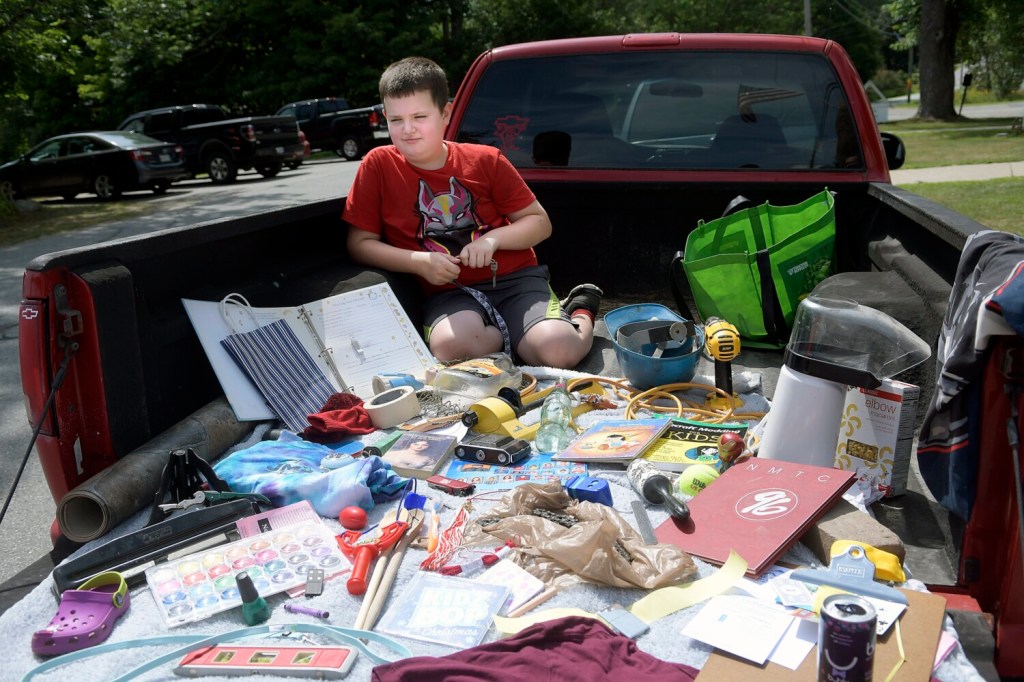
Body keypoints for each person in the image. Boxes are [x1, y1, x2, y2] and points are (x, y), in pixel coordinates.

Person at [343, 56, 601, 368]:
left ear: (445, 113)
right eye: (396, 120)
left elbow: (539, 223)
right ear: (384, 117)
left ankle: (579, 310)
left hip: (516, 280)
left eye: (420, 116)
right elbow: (359, 244)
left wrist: (492, 241)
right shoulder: (378, 165)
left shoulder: (485, 160)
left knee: (560, 350)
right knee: (452, 347)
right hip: (450, 292)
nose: (408, 130)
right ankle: (517, 337)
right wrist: (418, 261)